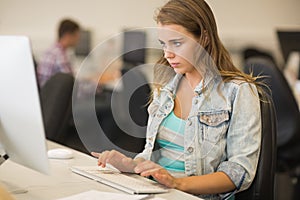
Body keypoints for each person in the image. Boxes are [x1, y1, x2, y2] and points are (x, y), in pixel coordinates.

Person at [91, 0, 262, 199]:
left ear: (204, 38)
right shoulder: (166, 88)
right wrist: (132, 165)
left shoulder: (238, 91)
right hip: (155, 191)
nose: (168, 54)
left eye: (177, 43)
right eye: (164, 44)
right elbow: (153, 156)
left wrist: (177, 183)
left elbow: (239, 172)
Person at [37, 18, 80, 87]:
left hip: (46, 94)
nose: (78, 39)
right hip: (52, 96)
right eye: (77, 35)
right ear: (68, 35)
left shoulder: (51, 50)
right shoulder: (59, 55)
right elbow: (72, 83)